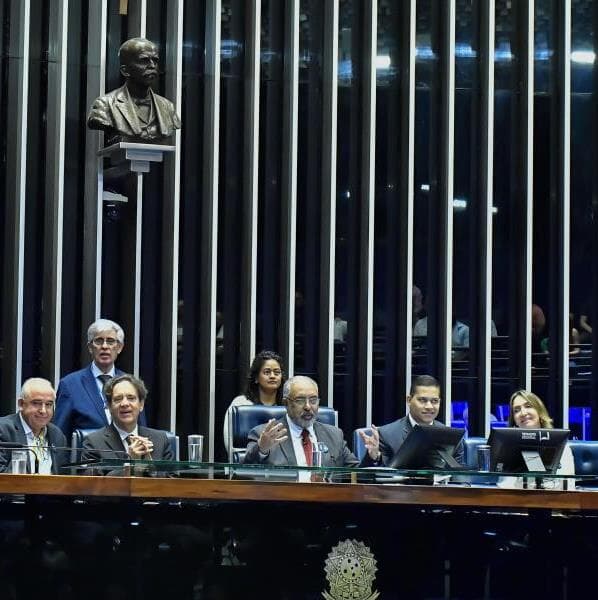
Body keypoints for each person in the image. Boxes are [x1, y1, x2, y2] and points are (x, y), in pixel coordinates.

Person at [243, 375, 380, 468]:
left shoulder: (334, 435)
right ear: (286, 403)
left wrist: (372, 456)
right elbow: (244, 474)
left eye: (313, 400)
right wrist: (261, 449)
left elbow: (355, 475)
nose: (308, 407)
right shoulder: (263, 435)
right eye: (300, 400)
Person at [54, 318, 145, 442]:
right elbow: (59, 437)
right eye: (99, 341)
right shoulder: (70, 385)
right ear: (90, 347)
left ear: (119, 347)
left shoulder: (131, 384)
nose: (104, 346)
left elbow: (141, 430)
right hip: (87, 453)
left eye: (111, 341)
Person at [87, 37, 181, 146]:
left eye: (155, 60)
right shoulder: (104, 105)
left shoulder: (168, 107)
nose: (152, 66)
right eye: (144, 60)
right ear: (125, 70)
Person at [81, 374, 173, 464]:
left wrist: (149, 466)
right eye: (118, 399)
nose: (124, 404)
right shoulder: (93, 443)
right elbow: (90, 475)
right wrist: (129, 463)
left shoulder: (161, 440)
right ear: (109, 406)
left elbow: (172, 475)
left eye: (131, 398)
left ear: (141, 404)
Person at [377, 374, 464, 467]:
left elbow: (459, 474)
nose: (429, 406)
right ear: (409, 400)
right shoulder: (387, 435)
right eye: (422, 400)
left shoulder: (452, 438)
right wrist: (376, 457)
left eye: (434, 401)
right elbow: (379, 473)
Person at [497, 389, 575, 490]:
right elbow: (505, 486)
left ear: (539, 412)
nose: (523, 413)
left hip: (553, 498)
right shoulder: (508, 447)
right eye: (516, 410)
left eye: (528, 406)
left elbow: (567, 485)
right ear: (514, 420)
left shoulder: (561, 444)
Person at [223, 350, 286, 454]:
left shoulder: (287, 406)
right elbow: (230, 444)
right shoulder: (241, 404)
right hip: (247, 460)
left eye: (277, 372)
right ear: (256, 378)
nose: (272, 376)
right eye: (267, 372)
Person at [0, 378, 67, 474]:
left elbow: (64, 475)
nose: (43, 410)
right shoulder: (3, 429)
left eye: (48, 404)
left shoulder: (57, 435)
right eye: (36, 403)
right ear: (21, 404)